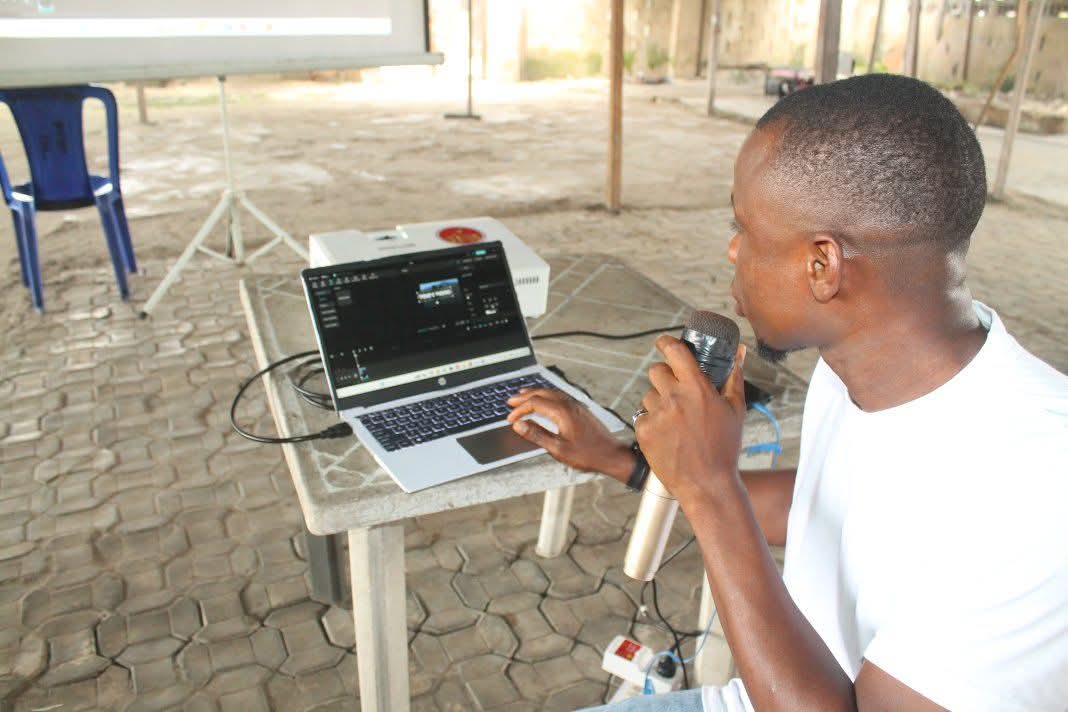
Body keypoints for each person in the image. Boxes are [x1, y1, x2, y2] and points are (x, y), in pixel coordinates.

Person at [505, 74, 1068, 711]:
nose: (732, 250)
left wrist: (710, 489)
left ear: (823, 266)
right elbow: (824, 508)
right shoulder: (859, 362)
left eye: (744, 228)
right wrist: (628, 462)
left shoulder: (1041, 494)